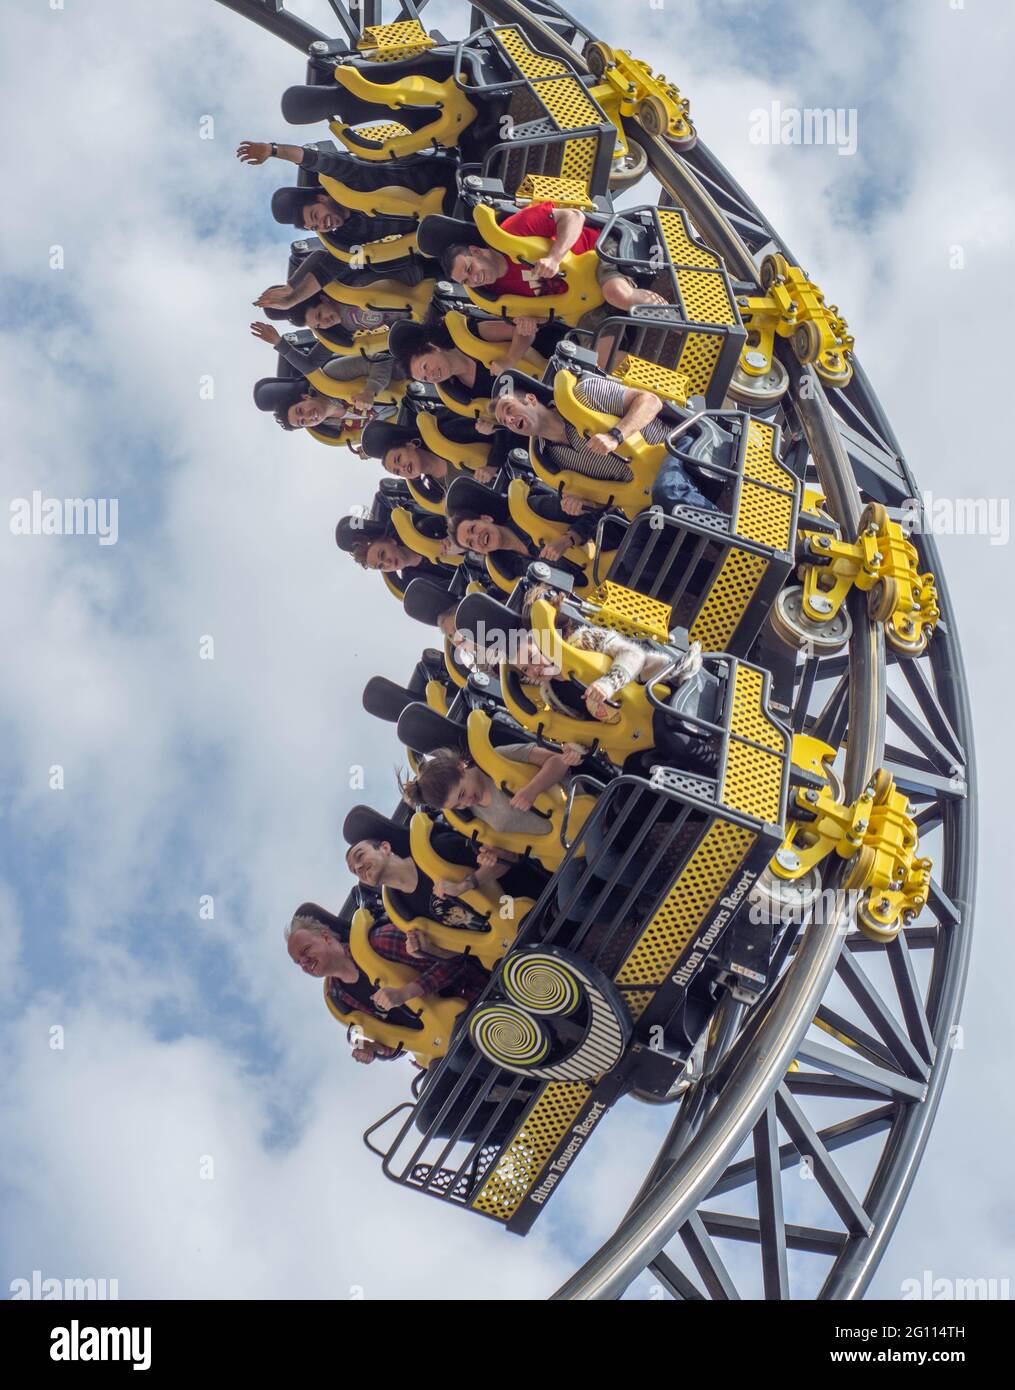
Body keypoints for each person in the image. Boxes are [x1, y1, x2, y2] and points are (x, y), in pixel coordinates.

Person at [442, 202, 667, 367]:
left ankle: (673, 317)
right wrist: (528, 327)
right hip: (582, 304)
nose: (473, 279)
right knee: (600, 361)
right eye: (466, 280)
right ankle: (660, 374)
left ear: (476, 251)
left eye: (470, 269)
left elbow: (573, 216)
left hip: (595, 254)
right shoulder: (496, 293)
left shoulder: (513, 231)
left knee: (616, 293)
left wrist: (555, 257)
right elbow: (534, 321)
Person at [285, 902, 486, 1065]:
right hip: (439, 1047)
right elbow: (396, 1043)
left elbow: (453, 962)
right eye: (298, 962)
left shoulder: (378, 943)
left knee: (461, 1057)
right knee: (430, 1112)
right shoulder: (340, 999)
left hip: (474, 999)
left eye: (306, 950)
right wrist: (374, 1048)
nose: (304, 962)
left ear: (326, 937)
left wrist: (407, 992)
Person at [492, 379, 718, 513]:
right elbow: (602, 500)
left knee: (668, 489)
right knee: (630, 561)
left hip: (676, 447)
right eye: (505, 422)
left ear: (531, 399)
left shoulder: (583, 396)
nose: (510, 420)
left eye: (509, 410)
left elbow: (650, 402)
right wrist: (581, 503)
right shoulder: (551, 460)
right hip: (648, 496)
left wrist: (616, 435)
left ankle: (740, 544)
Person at [399, 741, 584, 844]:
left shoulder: (498, 757)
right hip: (563, 845)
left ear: (461, 767)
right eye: (457, 805)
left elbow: (559, 761)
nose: (466, 803)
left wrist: (533, 789)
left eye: (462, 794)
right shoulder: (473, 813)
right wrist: (493, 853)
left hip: (579, 807)